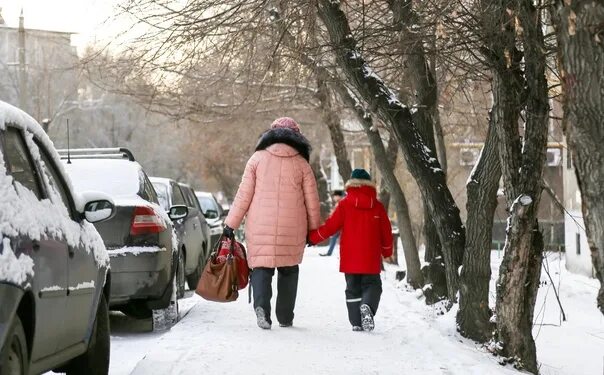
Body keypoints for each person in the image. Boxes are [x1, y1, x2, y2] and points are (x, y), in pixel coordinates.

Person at [223, 117, 321, 330]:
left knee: (261, 268)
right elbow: (312, 200)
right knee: (289, 270)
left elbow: (243, 195)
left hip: (260, 226)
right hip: (292, 227)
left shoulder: (256, 159)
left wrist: (231, 224)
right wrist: (314, 229)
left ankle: (261, 309)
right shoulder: (302, 163)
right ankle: (285, 316)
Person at [308, 169, 393, 332]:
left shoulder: (344, 205)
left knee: (352, 289)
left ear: (351, 185)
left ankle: (356, 322)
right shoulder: (378, 206)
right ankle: (367, 306)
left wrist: (313, 238)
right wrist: (387, 251)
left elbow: (330, 227)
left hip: (350, 258)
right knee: (373, 285)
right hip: (370, 258)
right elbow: (386, 231)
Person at [319, 190, 344, 257]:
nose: (333, 198)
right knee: (334, 238)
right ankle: (330, 253)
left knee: (340, 239)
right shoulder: (338, 203)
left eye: (334, 196)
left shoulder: (341, 203)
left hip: (341, 224)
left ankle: (333, 253)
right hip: (339, 224)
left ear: (338, 196)